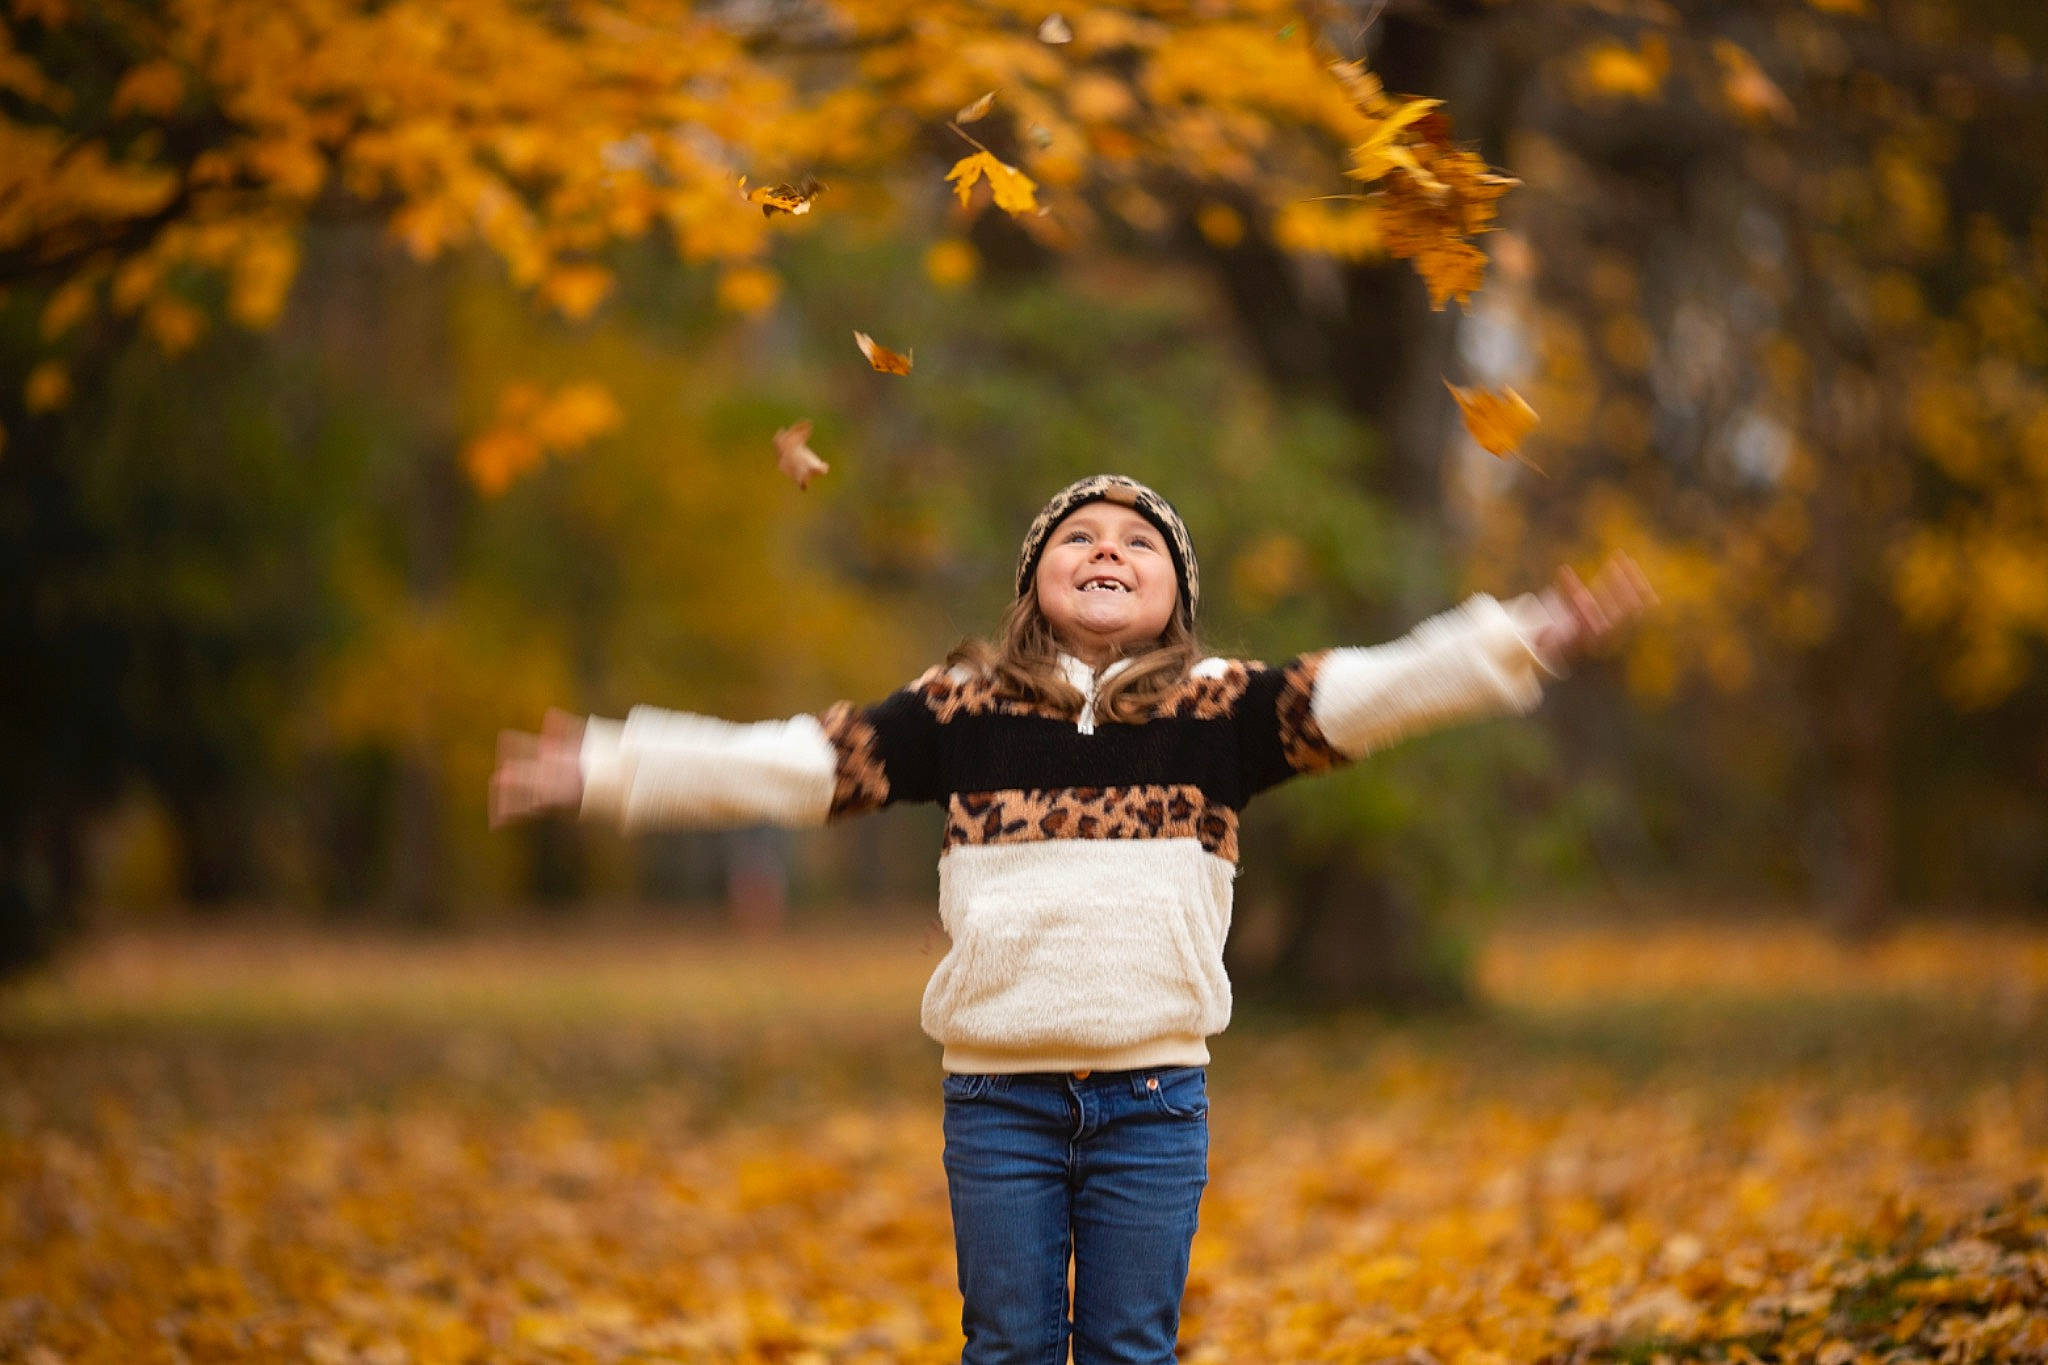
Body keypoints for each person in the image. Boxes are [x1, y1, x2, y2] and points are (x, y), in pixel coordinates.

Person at [490, 473, 1656, 1365]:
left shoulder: (1227, 710)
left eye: (1139, 542)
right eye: (1078, 537)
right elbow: (788, 766)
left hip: (1155, 1100)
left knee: (1128, 1352)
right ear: (1033, 585)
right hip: (997, 1102)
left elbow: (1386, 684)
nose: (1107, 548)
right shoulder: (959, 708)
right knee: (1004, 1349)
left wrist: (1525, 635)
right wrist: (609, 764)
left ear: (1174, 599)